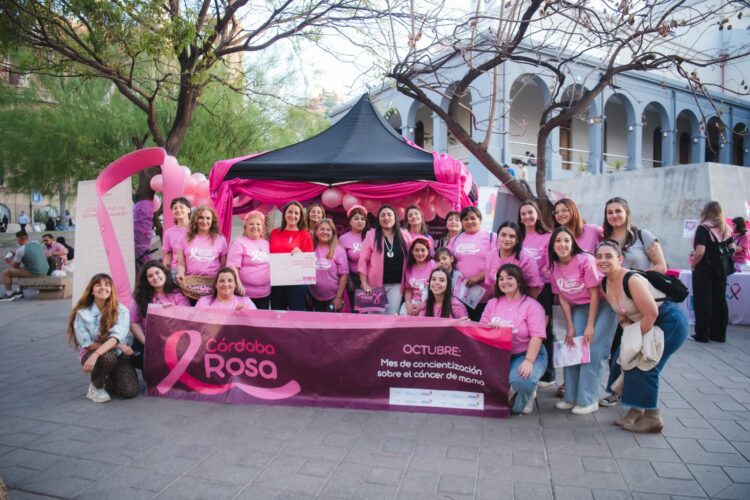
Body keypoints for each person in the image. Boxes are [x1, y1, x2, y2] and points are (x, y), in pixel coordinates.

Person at [596, 241, 688, 432]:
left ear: (620, 259)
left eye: (608, 256)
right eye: (599, 256)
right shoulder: (605, 283)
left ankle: (652, 417)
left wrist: (635, 341)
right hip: (642, 323)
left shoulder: (631, 279)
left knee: (646, 363)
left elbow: (652, 314)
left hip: (668, 322)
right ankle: (636, 410)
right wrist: (628, 332)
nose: (602, 260)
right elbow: (621, 313)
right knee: (623, 360)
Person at [600, 196, 667, 407]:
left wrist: (631, 277)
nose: (614, 215)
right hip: (620, 305)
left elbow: (661, 267)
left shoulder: (642, 236)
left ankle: (630, 395)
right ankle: (615, 391)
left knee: (637, 350)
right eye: (610, 212)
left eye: (618, 211)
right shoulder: (605, 238)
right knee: (618, 351)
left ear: (627, 213)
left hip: (643, 303)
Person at [548, 226, 617, 414]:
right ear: (552, 245)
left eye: (566, 240)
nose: (562, 245)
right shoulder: (553, 266)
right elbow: (561, 296)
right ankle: (571, 396)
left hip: (602, 306)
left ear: (572, 243)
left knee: (593, 351)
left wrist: (589, 326)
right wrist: (570, 326)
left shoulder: (585, 260)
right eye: (558, 241)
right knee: (573, 346)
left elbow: (595, 293)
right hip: (578, 307)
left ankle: (588, 400)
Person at [481, 264, 547, 415]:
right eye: (501, 279)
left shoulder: (532, 306)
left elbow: (537, 336)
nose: (505, 282)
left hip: (526, 353)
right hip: (500, 354)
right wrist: (490, 328)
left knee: (521, 383)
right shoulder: (493, 303)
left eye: (510, 278)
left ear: (519, 281)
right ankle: (512, 386)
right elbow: (481, 329)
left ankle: (527, 392)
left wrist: (529, 361)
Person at [67, 273, 138, 402]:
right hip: (92, 353)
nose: (103, 288)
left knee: (130, 391)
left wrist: (116, 346)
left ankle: (108, 377)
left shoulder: (121, 310)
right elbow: (87, 343)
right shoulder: (82, 313)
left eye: (107, 285)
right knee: (107, 356)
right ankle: (96, 387)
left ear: (111, 290)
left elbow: (115, 338)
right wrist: (96, 354)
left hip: (118, 355)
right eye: (98, 285)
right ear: (92, 290)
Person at [517, 200, 555, 386]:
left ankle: (548, 373)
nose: (527, 217)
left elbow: (552, 264)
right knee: (523, 329)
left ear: (537, 214)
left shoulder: (547, 237)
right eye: (523, 214)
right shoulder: (517, 237)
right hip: (520, 290)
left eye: (530, 213)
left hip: (542, 289)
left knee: (543, 330)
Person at [129, 261, 189, 369]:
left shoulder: (178, 294)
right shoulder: (139, 297)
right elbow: (133, 322)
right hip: (148, 341)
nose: (155, 277)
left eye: (157, 273)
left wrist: (174, 311)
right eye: (150, 276)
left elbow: (187, 319)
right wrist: (146, 342)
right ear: (146, 280)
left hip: (174, 341)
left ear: (164, 273)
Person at [691, 201, 735, 343]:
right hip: (721, 268)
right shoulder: (726, 228)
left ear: (705, 212)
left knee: (703, 300)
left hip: (704, 268)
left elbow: (700, 251)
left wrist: (693, 264)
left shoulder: (703, 228)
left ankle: (702, 334)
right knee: (720, 299)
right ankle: (719, 334)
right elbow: (732, 248)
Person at [358, 205, 412, 314]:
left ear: (395, 218)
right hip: (374, 286)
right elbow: (363, 260)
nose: (386, 218)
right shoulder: (371, 235)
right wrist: (364, 283)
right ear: (378, 219)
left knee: (391, 317)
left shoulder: (404, 235)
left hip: (396, 286)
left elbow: (412, 257)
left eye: (389, 215)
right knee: (374, 319)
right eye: (382, 215)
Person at [447, 206, 496, 321]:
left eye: (473, 218)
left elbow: (498, 262)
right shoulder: (454, 240)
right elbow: (446, 262)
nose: (469, 221)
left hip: (486, 298)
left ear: (480, 219)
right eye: (465, 219)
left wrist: (478, 277)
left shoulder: (491, 238)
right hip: (460, 298)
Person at [269, 201, 313, 311]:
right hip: (277, 280)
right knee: (277, 313)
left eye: (296, 213)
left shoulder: (305, 235)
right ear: (284, 214)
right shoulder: (275, 233)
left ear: (300, 216)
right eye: (290, 212)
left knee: (295, 314)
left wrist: (301, 255)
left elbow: (309, 263)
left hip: (296, 283)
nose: (293, 216)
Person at [176, 206, 228, 298]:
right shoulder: (184, 238)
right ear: (195, 219)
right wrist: (180, 272)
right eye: (201, 218)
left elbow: (223, 267)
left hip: (213, 286)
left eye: (208, 218)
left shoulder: (221, 240)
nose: (204, 221)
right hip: (190, 285)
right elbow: (181, 264)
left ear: (212, 221)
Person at [485, 221, 543, 298]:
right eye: (503, 235)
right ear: (497, 236)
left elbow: (533, 287)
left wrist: (527, 306)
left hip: (522, 302)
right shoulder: (491, 256)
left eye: (512, 236)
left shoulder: (526, 257)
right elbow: (492, 283)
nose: (507, 239)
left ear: (517, 239)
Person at [227, 211, 271, 310]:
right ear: (245, 227)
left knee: (262, 321)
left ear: (262, 228)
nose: (255, 226)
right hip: (245, 294)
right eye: (251, 224)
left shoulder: (266, 244)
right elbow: (233, 266)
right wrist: (238, 285)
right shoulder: (239, 242)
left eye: (258, 224)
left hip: (265, 293)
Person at [308, 219, 349, 311]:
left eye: (328, 230)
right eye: (322, 229)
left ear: (333, 233)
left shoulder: (339, 250)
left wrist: (338, 297)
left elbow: (344, 275)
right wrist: (307, 293)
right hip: (313, 296)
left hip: (333, 298)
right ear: (316, 231)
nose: (325, 232)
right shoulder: (310, 248)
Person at [1, 231, 49, 301]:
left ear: (18, 239)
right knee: (22, 269)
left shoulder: (20, 251)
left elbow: (15, 267)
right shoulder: (36, 243)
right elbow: (30, 252)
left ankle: (9, 295)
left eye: (16, 239)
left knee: (6, 272)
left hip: (37, 272)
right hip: (45, 269)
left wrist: (9, 261)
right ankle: (19, 291)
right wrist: (16, 253)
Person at [339, 205, 368, 309]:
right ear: (350, 221)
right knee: (358, 313)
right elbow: (342, 263)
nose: (360, 221)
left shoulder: (372, 235)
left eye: (362, 219)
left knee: (372, 312)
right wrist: (349, 280)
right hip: (354, 281)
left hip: (372, 281)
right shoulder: (343, 239)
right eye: (356, 218)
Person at [401, 238, 437, 315]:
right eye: (416, 250)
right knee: (403, 313)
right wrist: (408, 303)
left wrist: (422, 305)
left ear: (428, 251)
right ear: (412, 252)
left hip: (430, 302)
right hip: (413, 302)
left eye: (423, 250)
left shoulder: (433, 265)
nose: (420, 253)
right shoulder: (408, 268)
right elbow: (408, 289)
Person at [162, 197, 192, 275]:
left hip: (194, 271)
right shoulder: (168, 233)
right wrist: (166, 273)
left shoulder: (196, 229)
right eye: (175, 208)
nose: (178, 210)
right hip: (175, 271)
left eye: (181, 207)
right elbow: (167, 256)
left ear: (188, 210)